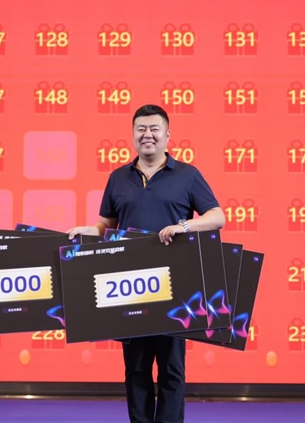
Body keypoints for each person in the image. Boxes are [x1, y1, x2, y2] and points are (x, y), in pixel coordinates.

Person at [67, 104, 225, 423]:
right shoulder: (118, 178)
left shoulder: (188, 175)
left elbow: (217, 217)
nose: (147, 135)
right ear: (133, 135)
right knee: (136, 369)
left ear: (167, 135)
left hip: (174, 289)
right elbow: (107, 224)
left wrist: (183, 226)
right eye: (141, 129)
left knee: (171, 370)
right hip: (130, 287)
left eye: (154, 129)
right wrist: (90, 230)